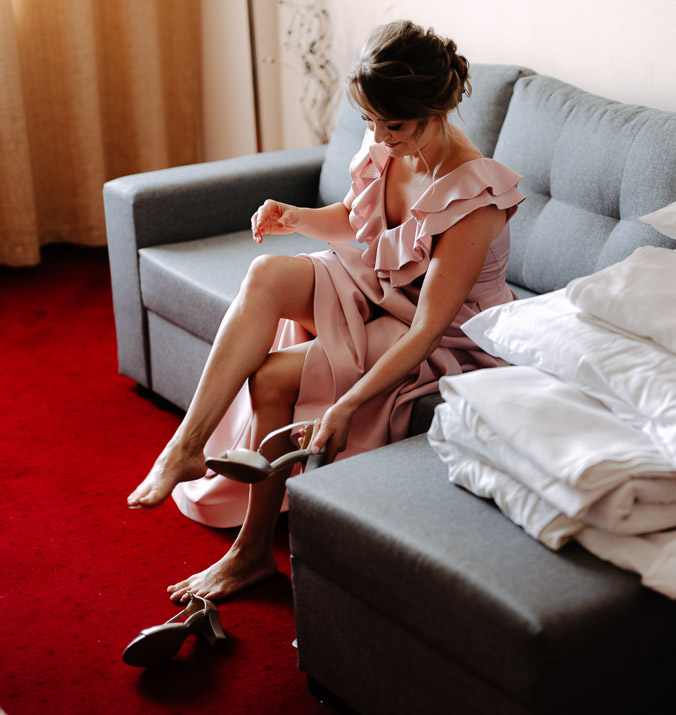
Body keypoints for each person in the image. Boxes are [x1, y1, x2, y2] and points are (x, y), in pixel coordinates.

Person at [124, 20, 524, 603]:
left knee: (273, 376)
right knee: (266, 273)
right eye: (369, 120)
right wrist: (295, 217)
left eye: (394, 126)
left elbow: (425, 329)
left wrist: (346, 403)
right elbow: (360, 220)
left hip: (442, 333)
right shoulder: (388, 138)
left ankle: (250, 554)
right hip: (384, 286)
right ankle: (187, 446)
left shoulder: (471, 198)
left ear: (436, 111)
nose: (379, 136)